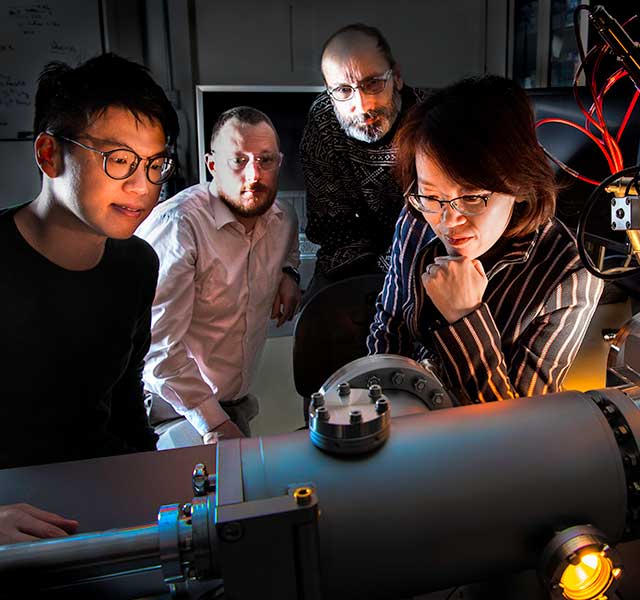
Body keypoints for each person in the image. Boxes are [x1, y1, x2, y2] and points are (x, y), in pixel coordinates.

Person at [0, 53, 178, 543]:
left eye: (156, 164)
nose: (143, 187)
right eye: (119, 160)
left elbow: (124, 404)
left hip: (97, 500)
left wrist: (153, 483)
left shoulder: (137, 264)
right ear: (49, 154)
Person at [367, 76, 603, 405]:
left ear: (520, 185)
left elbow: (517, 423)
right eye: (432, 196)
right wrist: (379, 404)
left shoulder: (568, 277)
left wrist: (464, 317)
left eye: (472, 197)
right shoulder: (416, 220)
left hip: (482, 448)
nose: (448, 221)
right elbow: (390, 323)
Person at [137, 106, 300, 447]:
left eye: (265, 160)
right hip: (171, 412)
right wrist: (213, 422)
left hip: (233, 405)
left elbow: (289, 250)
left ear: (279, 163)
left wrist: (289, 273)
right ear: (212, 165)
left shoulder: (282, 218)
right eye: (238, 161)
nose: (254, 175)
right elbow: (158, 347)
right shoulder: (179, 226)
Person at [300, 23, 424, 297]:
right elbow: (329, 225)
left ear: (397, 77)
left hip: (422, 253)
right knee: (318, 317)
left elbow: (439, 218)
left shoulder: (429, 122)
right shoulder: (323, 121)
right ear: (329, 91)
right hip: (351, 253)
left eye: (373, 83)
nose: (362, 104)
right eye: (343, 90)